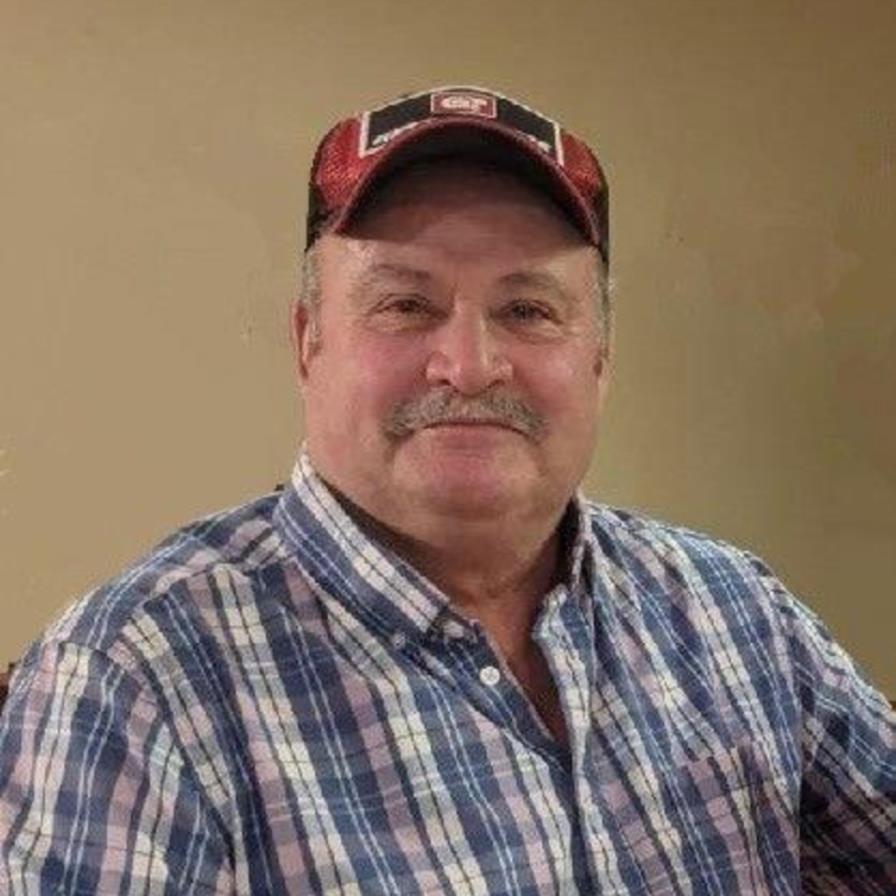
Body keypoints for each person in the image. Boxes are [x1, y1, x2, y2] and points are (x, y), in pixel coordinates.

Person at [0, 85, 893, 895]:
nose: (469, 366)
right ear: (308, 342)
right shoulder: (134, 681)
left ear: (600, 358)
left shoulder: (736, 612)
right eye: (405, 305)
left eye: (528, 310)